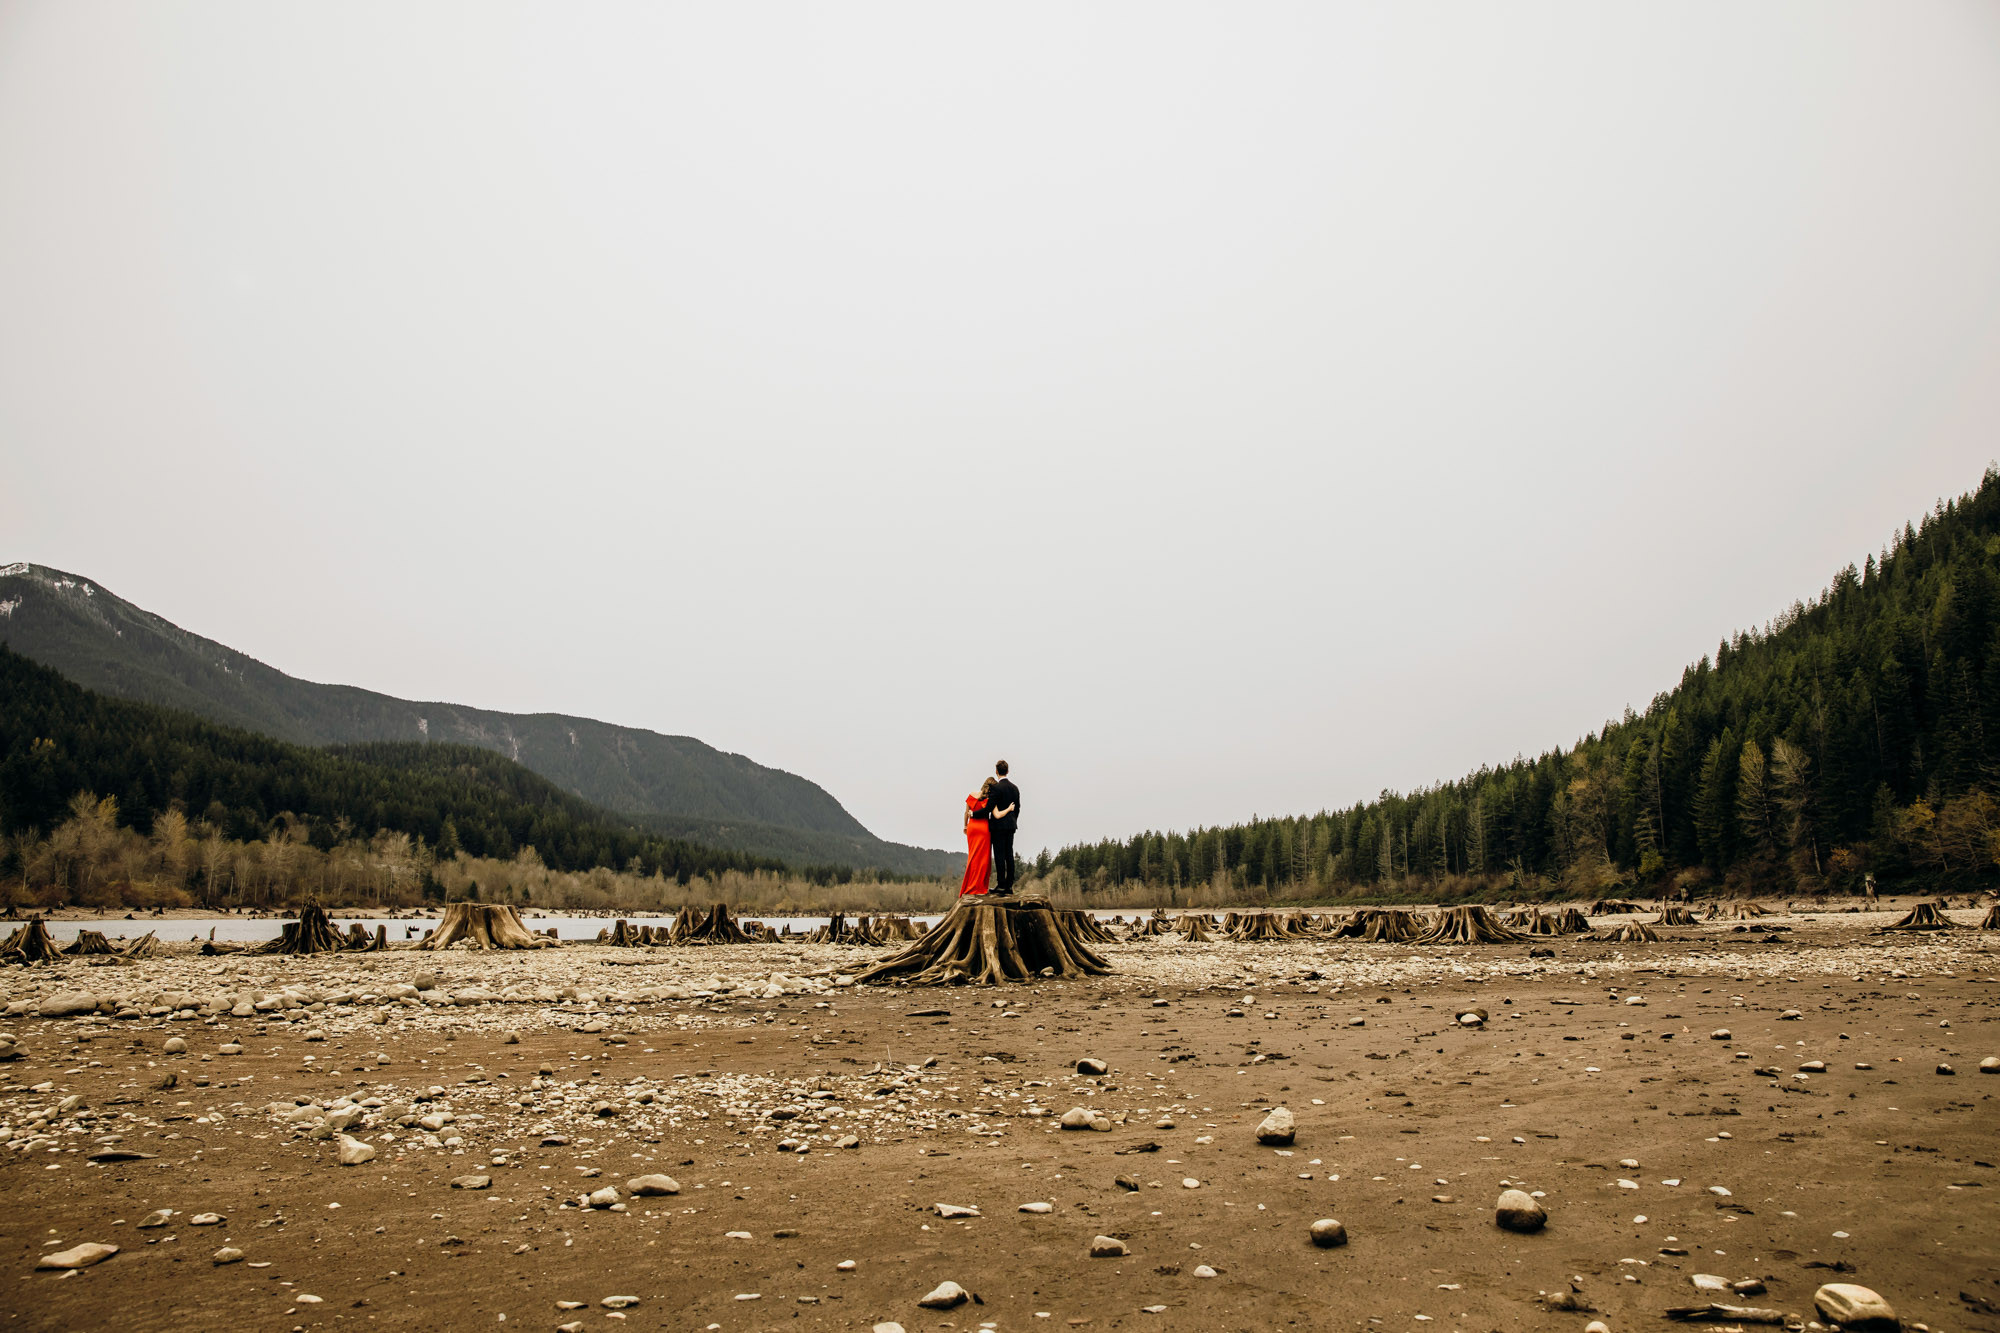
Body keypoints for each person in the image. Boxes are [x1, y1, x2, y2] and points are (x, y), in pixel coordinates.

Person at [987, 759, 1020, 896]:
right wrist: (1012, 820)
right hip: (1011, 825)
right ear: (1007, 771)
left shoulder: (996, 788)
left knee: (999, 856)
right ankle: (1009, 886)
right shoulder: (1015, 788)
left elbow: (990, 808)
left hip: (998, 827)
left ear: (996, 771)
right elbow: (1017, 808)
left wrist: (975, 815)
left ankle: (1001, 885)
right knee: (1009, 855)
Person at [958, 778, 995, 898]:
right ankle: (980, 886)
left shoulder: (972, 795)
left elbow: (966, 813)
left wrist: (965, 826)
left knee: (972, 857)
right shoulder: (989, 799)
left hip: (972, 827)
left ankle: (969, 885)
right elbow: (988, 812)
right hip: (984, 828)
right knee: (983, 859)